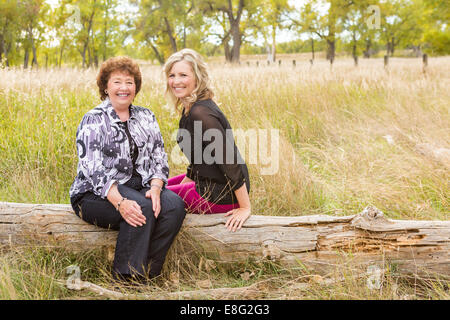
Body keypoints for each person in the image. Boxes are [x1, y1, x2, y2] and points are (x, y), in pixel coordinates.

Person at [69, 56, 186, 282]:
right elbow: (92, 169)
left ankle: (149, 273)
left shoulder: (146, 116)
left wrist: (156, 187)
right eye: (117, 82)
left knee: (174, 206)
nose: (124, 88)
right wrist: (120, 202)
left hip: (138, 186)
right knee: (140, 207)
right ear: (105, 86)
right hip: (93, 193)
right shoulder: (93, 119)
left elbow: (159, 156)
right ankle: (126, 279)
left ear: (136, 87)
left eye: (129, 82)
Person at [163, 49, 251, 232]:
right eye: (172, 75)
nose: (176, 81)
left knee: (153, 198)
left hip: (221, 194)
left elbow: (229, 160)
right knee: (157, 186)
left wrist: (244, 207)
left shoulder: (200, 113)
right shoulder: (189, 108)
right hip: (207, 182)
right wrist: (182, 186)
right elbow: (198, 160)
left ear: (197, 78)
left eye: (183, 75)